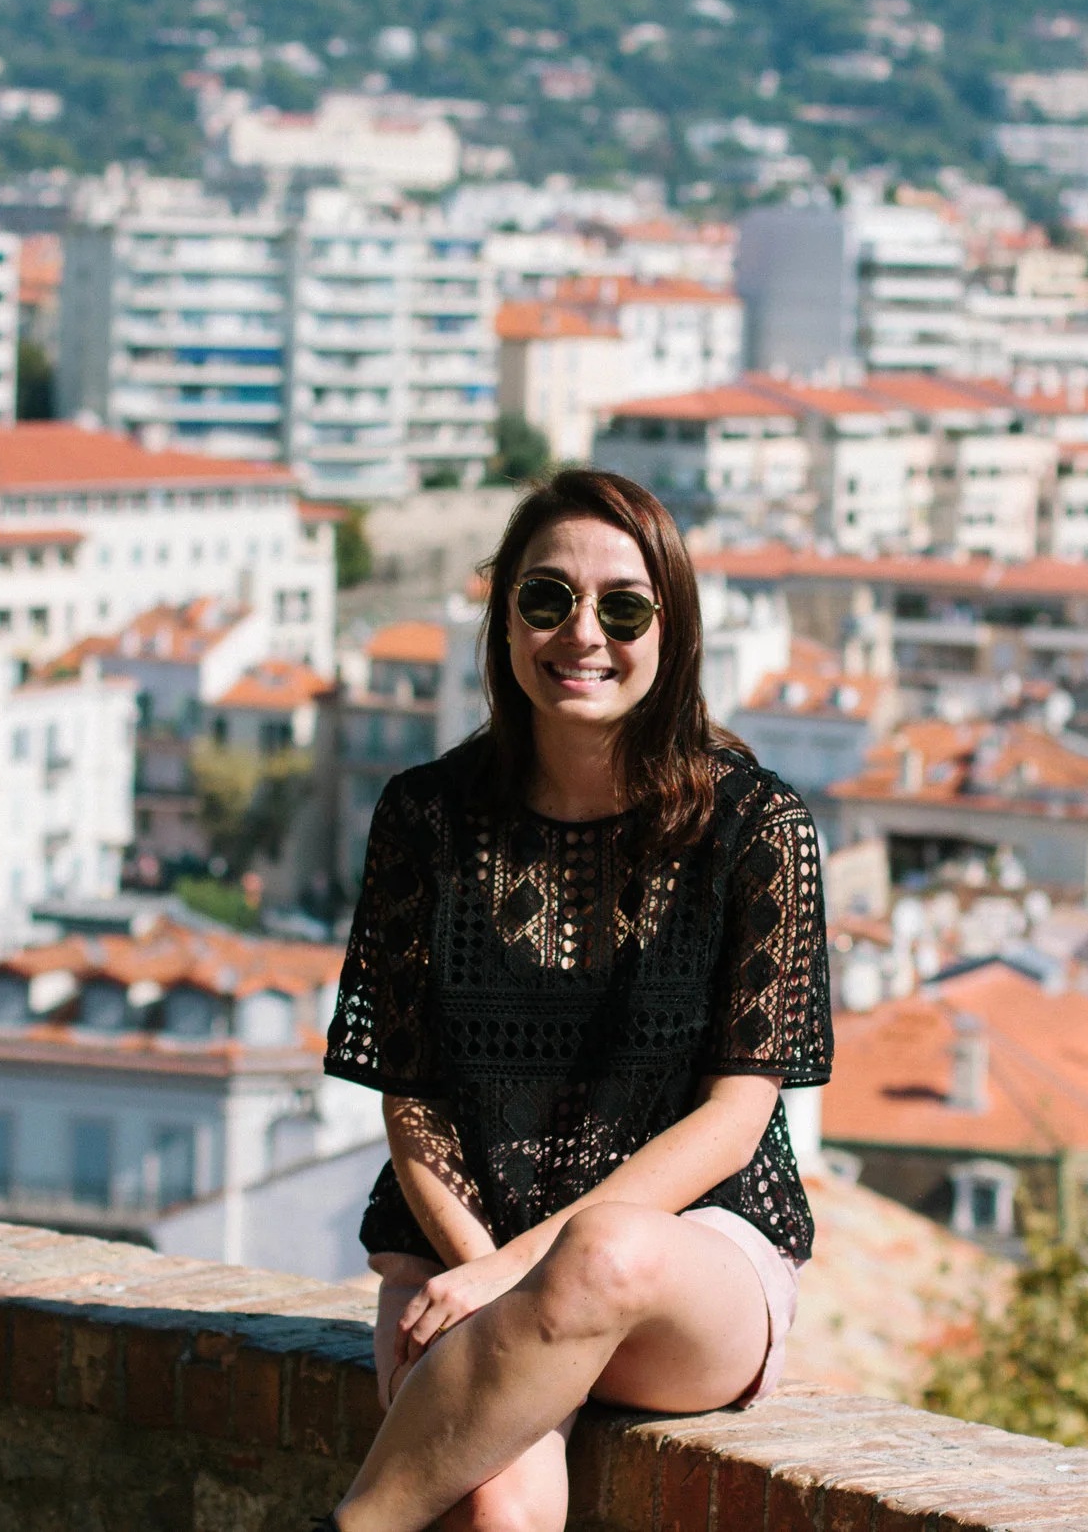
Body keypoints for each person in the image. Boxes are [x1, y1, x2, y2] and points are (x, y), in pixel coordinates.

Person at [315, 468, 832, 1532]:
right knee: (492, 1505)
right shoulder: (425, 819)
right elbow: (412, 1101)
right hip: (459, 1248)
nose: (582, 632)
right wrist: (486, 1271)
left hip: (684, 1266)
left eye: (623, 608)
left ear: (671, 630)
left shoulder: (756, 829)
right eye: (547, 598)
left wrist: (519, 1270)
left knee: (602, 1249)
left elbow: (735, 1117)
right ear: (505, 618)